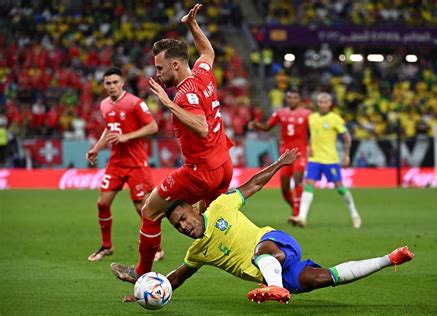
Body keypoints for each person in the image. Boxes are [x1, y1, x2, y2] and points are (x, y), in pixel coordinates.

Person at [121, 149, 414, 303]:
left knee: (262, 252)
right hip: (282, 272)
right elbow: (176, 278)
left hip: (276, 243)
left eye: (184, 218)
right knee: (324, 278)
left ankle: (274, 288)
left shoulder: (220, 206)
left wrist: (279, 164)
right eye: (177, 227)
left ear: (194, 210)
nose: (183, 226)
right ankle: (390, 258)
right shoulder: (197, 251)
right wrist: (143, 289)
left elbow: (252, 185)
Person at [110, 3, 233, 281]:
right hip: (224, 165)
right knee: (219, 223)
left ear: (175, 65)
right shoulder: (203, 74)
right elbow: (207, 52)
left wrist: (168, 104)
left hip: (200, 172)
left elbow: (201, 127)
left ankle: (142, 274)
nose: (158, 73)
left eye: (160, 67)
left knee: (150, 210)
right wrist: (191, 24)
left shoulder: (183, 93)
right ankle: (255, 259)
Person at [86, 66, 159, 262]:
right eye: (108, 83)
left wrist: (127, 137)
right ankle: (106, 246)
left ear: (122, 83)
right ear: (104, 85)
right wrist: (96, 148)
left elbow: (153, 126)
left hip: (136, 162)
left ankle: (155, 246)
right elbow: (109, 131)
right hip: (116, 163)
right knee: (102, 203)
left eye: (115, 82)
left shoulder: (135, 103)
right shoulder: (104, 105)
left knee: (140, 206)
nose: (111, 86)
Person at [291, 92, 362, 228]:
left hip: (330, 160)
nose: (323, 104)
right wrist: (309, 146)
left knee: (340, 188)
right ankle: (302, 217)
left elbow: (347, 137)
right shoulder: (312, 118)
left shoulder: (335, 119)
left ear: (330, 104)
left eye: (325, 102)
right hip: (315, 159)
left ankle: (354, 214)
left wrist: (347, 155)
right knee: (309, 184)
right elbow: (313, 135)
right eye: (320, 102)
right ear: (317, 104)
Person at [248, 89, 311, 223]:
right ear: (286, 99)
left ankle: (296, 214)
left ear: (299, 99)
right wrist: (257, 125)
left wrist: (312, 145)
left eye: (295, 97)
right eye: (290, 97)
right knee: (284, 189)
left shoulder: (307, 114)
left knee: (298, 180)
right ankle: (296, 210)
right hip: (285, 154)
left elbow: (315, 131)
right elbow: (267, 127)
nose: (292, 99)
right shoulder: (281, 113)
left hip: (301, 152)